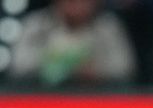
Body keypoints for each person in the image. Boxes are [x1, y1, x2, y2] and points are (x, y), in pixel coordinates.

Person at [9, 0, 137, 88]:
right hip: (41, 99)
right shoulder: (36, 24)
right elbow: (18, 65)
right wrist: (53, 66)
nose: (75, 4)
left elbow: (124, 67)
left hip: (97, 100)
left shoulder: (108, 27)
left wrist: (94, 71)